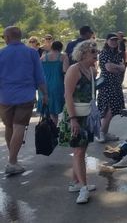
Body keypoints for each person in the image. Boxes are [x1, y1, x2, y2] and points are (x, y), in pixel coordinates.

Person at [0, 26, 48, 176]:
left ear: (7, 37)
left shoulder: (1, 53)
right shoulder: (31, 53)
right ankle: (12, 161)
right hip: (25, 96)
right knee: (19, 126)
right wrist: (45, 94)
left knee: (9, 127)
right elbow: (39, 76)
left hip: (5, 97)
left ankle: (13, 159)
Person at [58, 40, 98, 203]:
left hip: (86, 114)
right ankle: (83, 187)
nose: (96, 54)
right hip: (75, 115)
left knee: (80, 151)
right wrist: (73, 119)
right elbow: (67, 95)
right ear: (83, 54)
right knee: (79, 151)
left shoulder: (91, 70)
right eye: (93, 52)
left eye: (96, 51)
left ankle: (76, 182)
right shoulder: (74, 70)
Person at [96, 33, 125, 143]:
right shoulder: (104, 53)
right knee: (107, 109)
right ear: (107, 41)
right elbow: (109, 68)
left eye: (115, 40)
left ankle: (104, 132)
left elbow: (123, 68)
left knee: (111, 110)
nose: (114, 42)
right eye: (112, 40)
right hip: (107, 85)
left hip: (116, 84)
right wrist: (119, 67)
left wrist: (117, 67)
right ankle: (101, 133)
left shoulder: (117, 53)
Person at [37, 40, 70, 124]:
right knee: (54, 112)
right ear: (61, 48)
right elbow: (65, 71)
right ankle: (53, 131)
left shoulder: (43, 58)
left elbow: (38, 72)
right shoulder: (63, 57)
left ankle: (46, 130)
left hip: (44, 85)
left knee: (46, 108)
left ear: (51, 47)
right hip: (57, 84)